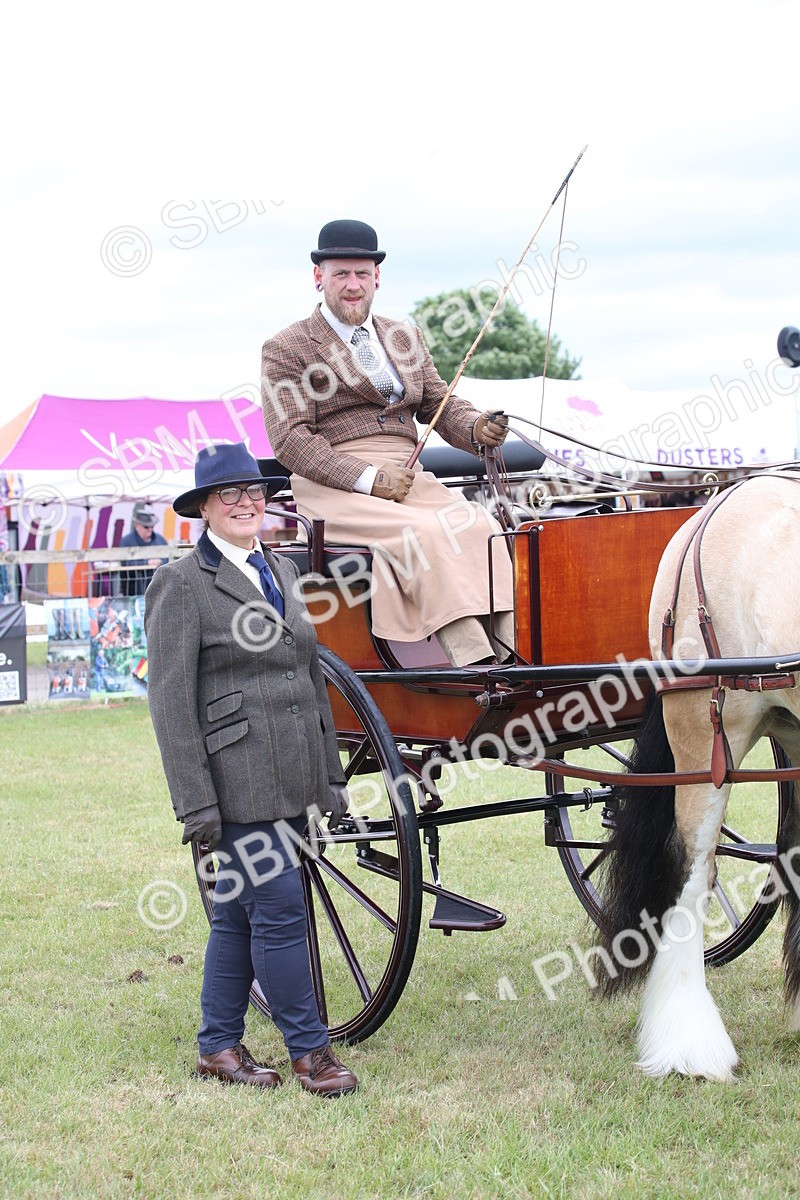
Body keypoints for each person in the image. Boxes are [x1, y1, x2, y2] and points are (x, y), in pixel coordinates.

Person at [144, 441, 358, 1097]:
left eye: (254, 493)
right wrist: (196, 805)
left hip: (291, 773)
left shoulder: (284, 572)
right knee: (281, 914)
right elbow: (171, 704)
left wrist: (331, 779)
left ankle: (217, 1048)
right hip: (235, 783)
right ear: (205, 508)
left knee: (236, 914)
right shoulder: (180, 585)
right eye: (229, 495)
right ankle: (311, 1054)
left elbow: (307, 677)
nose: (245, 503)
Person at [260, 219, 515, 668]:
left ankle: (517, 651)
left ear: (377, 277)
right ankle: (476, 663)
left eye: (362, 274)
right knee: (428, 534)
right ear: (318, 277)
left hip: (407, 474)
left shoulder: (404, 337)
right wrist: (369, 479)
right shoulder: (287, 346)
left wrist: (475, 428)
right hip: (336, 484)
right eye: (341, 274)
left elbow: (438, 401)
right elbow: (290, 439)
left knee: (480, 526)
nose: (353, 285)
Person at [119, 501, 168, 596]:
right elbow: (125, 563)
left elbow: (168, 560)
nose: (150, 529)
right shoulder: (126, 541)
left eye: (152, 526)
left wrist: (160, 561)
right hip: (134, 591)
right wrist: (146, 563)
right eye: (146, 526)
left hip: (159, 590)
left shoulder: (160, 540)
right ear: (137, 525)